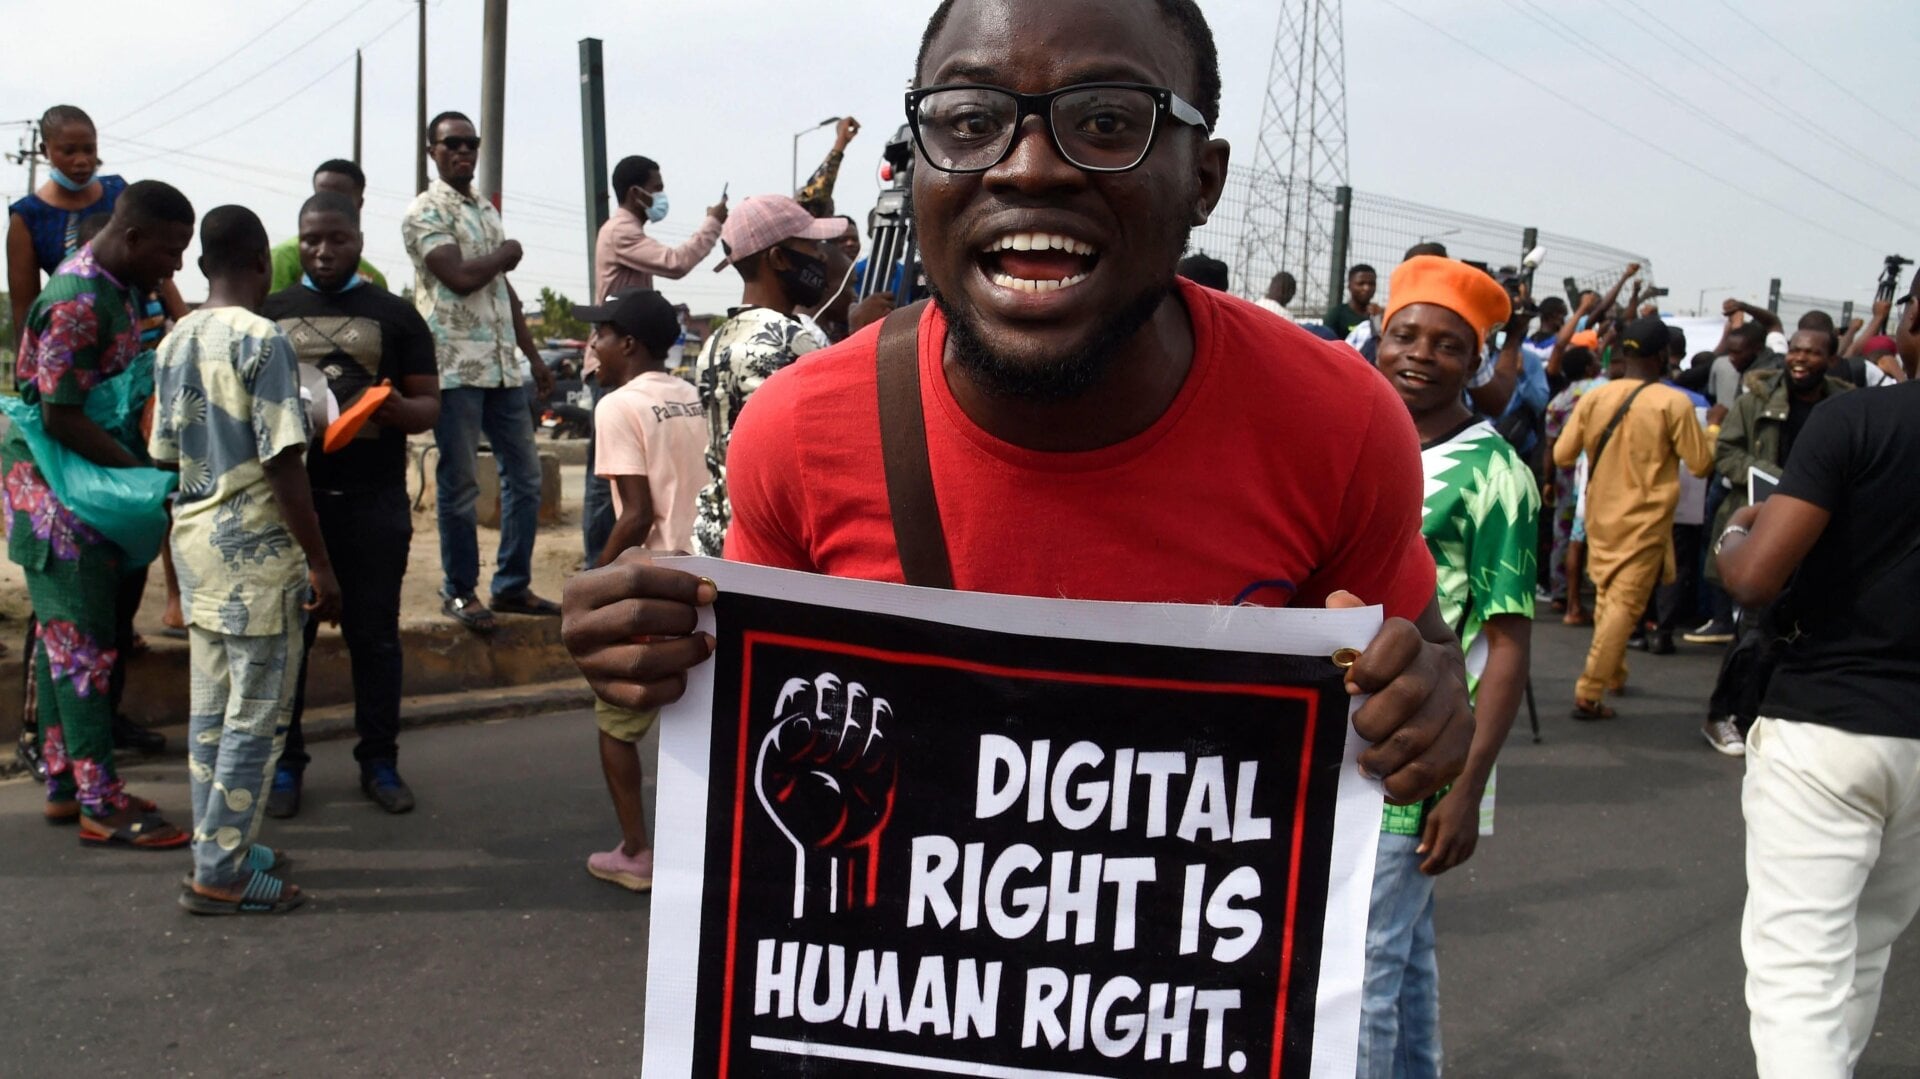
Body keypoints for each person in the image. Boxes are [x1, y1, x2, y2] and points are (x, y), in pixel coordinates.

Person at [563, 0, 1474, 828]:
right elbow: (768, 729)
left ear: (1204, 178)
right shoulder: (798, 433)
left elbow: (1420, 664)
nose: (1030, 169)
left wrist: (1428, 709)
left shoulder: (1337, 424)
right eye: (968, 122)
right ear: (918, 164)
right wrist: (658, 658)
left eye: (1108, 122)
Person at [1714, 374, 1920, 1079]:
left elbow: (1754, 579)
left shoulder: (1854, 420)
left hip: (1826, 722)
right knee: (1866, 949)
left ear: (1912, 320)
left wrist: (1735, 535)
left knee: (1800, 969)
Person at [1364, 256, 1538, 1078]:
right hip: (1338, 750)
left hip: (1417, 762)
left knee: (1359, 978)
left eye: (1448, 344)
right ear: (1377, 333)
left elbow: (1508, 645)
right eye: (1405, 334)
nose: (1420, 354)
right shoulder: (1355, 436)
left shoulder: (1496, 475)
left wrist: (1466, 788)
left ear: (1478, 360)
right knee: (1401, 969)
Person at [150, 205, 342, 914]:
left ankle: (219, 840)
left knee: (210, 711)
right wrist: (320, 564)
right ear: (264, 262)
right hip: (257, 555)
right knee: (254, 716)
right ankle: (220, 874)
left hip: (196, 545)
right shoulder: (264, 341)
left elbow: (168, 452)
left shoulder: (175, 340)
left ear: (204, 265)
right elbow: (284, 460)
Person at [2, 180, 194, 846]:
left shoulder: (121, 287)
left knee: (71, 637)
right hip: (57, 482)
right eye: (169, 253)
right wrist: (140, 472)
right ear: (134, 237)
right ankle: (100, 801)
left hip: (79, 474)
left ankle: (64, 782)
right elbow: (59, 415)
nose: (174, 269)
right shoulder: (79, 300)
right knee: (82, 644)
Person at [262, 191, 442, 818]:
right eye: (311, 239)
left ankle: (380, 763)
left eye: (336, 238)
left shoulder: (396, 316)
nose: (323, 250)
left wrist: (396, 411)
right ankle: (286, 766)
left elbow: (430, 406)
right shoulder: (272, 312)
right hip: (291, 508)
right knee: (291, 641)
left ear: (359, 241)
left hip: (374, 502)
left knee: (375, 639)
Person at [402, 110, 558, 633]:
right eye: (452, 144)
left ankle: (511, 585)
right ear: (433, 151)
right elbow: (461, 276)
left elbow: (500, 291)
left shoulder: (485, 212)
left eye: (471, 143)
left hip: (500, 368)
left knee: (526, 479)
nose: (464, 151)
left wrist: (533, 357)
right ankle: (460, 590)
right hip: (453, 368)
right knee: (460, 484)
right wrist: (508, 253)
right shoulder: (424, 212)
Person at [574, 288, 708, 892]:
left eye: (599, 334)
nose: (591, 346)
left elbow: (633, 516)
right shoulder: (691, 394)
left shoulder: (617, 405)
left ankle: (637, 853)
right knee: (703, 721)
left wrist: (594, 585)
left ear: (627, 343)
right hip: (710, 575)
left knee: (618, 724)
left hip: (653, 583)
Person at [1697, 328, 1852, 757]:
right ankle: (1722, 715)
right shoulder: (1753, 402)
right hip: (1762, 527)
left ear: (1831, 360)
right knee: (1751, 629)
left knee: (1797, 630)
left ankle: (1764, 717)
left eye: (1813, 352)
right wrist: (1777, 481)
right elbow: (1725, 453)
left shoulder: (1845, 410)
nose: (1801, 358)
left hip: (1819, 535)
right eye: (1796, 350)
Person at [1553, 316, 1713, 719]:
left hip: (1601, 518)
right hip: (1645, 523)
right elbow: (1700, 464)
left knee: (1610, 598)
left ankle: (1614, 673)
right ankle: (1590, 691)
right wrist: (1710, 433)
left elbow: (1562, 455)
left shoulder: (1595, 397)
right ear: (1663, 355)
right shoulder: (1673, 403)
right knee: (1624, 602)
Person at [582, 154, 728, 561]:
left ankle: (603, 568)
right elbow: (676, 263)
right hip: (622, 366)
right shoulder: (620, 232)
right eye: (657, 187)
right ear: (636, 193)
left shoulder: (627, 233)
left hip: (632, 360)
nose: (661, 196)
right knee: (610, 486)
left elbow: (637, 515)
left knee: (630, 484)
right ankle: (600, 564)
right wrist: (713, 222)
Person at [690, 194, 845, 557]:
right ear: (777, 257)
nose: (821, 256)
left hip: (715, 537)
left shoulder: (715, 341)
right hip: (769, 547)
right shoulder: (791, 338)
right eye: (810, 245)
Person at [6, 106, 188, 336]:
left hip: (147, 333)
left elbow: (160, 270)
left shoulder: (119, 193)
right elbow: (25, 308)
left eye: (89, 150)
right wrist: (29, 368)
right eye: (69, 151)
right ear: (45, 150)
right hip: (81, 341)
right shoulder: (28, 217)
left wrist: (187, 328)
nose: (81, 160)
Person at [1543, 345, 1604, 620]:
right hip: (1599, 471)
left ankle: (1561, 594)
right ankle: (1590, 596)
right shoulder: (1604, 389)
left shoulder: (1558, 401)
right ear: (1591, 368)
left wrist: (1548, 480)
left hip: (1566, 474)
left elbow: (1551, 445)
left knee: (1564, 535)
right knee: (1593, 535)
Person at [267, 160, 388, 293]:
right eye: (322, 196)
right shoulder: (282, 260)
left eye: (339, 198)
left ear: (359, 203)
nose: (330, 204)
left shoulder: (373, 278)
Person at [795, 117, 861, 217]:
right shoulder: (797, 228)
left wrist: (841, 143)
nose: (831, 218)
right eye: (829, 212)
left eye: (832, 212)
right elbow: (813, 197)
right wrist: (840, 144)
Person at [1327, 262, 1378, 337]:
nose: (1367, 288)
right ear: (1349, 286)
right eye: (1361, 283)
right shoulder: (1336, 315)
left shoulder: (1378, 315)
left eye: (1371, 284)